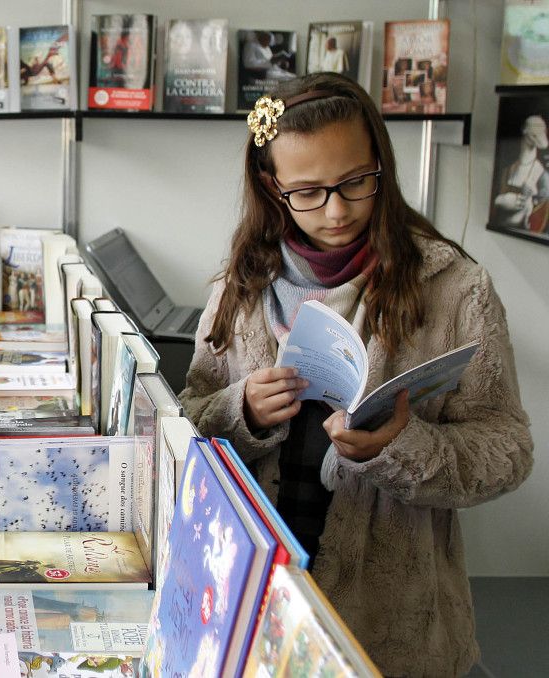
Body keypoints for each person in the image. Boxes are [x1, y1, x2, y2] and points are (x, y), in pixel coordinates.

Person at [180, 72, 533, 676]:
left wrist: (401, 447)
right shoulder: (237, 287)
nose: (337, 210)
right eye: (309, 192)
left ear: (381, 166)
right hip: (256, 590)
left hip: (391, 616)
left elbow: (508, 450)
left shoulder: (455, 289)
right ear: (273, 187)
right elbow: (186, 413)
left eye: (355, 182)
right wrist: (238, 410)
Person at [493, 115, 549, 230]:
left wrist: (531, 202)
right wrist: (499, 201)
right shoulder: (507, 170)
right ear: (525, 130)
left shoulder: (542, 175)